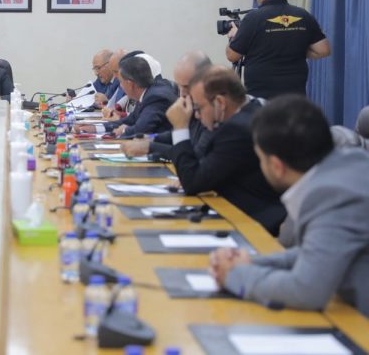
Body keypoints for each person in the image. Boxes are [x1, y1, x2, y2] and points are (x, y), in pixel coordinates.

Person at [210, 95, 369, 316]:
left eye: (260, 159)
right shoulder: (351, 162)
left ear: (276, 166)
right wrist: (249, 263)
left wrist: (235, 276)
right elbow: (315, 252)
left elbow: (306, 290)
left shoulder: (332, 194)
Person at [167, 66, 285, 235]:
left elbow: (192, 183)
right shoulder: (251, 112)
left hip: (253, 223)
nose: (197, 116)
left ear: (220, 103)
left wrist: (180, 127)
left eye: (199, 108)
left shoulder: (236, 129)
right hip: (241, 211)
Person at [225, 0, 331, 99]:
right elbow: (323, 50)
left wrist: (234, 36)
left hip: (262, 99)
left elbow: (232, 56)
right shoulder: (303, 15)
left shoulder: (253, 18)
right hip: (295, 98)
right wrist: (294, 48)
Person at [122, 51, 212, 161]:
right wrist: (150, 138)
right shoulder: (193, 106)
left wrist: (150, 147)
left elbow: (194, 156)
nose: (182, 94)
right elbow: (174, 135)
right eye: (179, 86)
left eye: (187, 87)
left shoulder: (213, 114)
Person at [78, 56, 176, 137]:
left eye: (121, 82)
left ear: (130, 84)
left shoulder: (155, 98)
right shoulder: (146, 93)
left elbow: (141, 129)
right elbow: (129, 121)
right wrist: (94, 128)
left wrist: (124, 130)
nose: (120, 86)